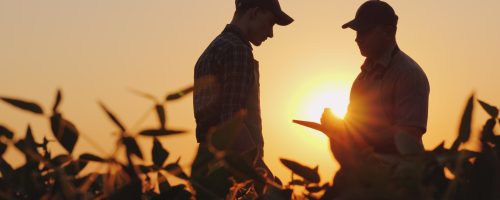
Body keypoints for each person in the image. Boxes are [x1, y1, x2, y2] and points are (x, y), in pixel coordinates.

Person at [320, 0, 430, 197]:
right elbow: (354, 125)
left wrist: (354, 135)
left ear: (388, 32)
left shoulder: (409, 74)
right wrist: (336, 127)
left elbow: (408, 136)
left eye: (364, 32)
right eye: (356, 32)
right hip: (363, 172)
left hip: (398, 180)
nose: (357, 39)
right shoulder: (361, 79)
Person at [192, 0, 293, 198]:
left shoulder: (211, 50)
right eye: (271, 23)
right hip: (232, 177)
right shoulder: (238, 50)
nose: (271, 34)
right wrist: (264, 179)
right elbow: (232, 124)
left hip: (207, 171)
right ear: (254, 12)